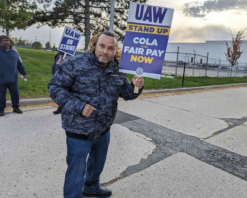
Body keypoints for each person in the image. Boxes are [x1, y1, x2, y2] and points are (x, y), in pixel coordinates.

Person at [48, 31, 144, 198]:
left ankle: (91, 188)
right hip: (78, 129)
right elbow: (55, 87)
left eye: (110, 48)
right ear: (94, 45)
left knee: (97, 164)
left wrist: (137, 86)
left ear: (115, 50)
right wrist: (79, 106)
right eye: (102, 46)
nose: (105, 51)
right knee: (76, 171)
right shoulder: (75, 63)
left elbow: (128, 94)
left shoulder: (117, 69)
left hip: (103, 129)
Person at [0, 35, 27, 116]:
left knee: (15, 93)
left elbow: (20, 64)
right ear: (0, 42)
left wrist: (23, 73)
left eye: (7, 40)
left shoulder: (15, 52)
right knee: (1, 95)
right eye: (4, 40)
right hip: (1, 79)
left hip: (13, 79)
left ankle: (16, 107)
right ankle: (1, 109)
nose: (6, 42)